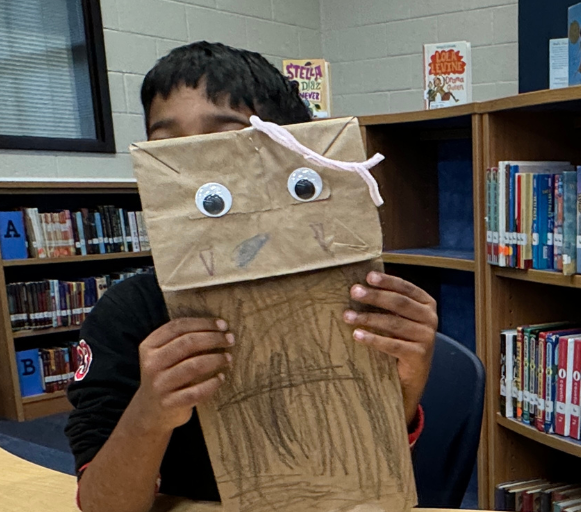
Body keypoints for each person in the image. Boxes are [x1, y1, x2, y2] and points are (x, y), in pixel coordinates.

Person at [64, 42, 439, 512]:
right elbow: (103, 504)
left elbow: (374, 481)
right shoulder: (126, 315)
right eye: (170, 149)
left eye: (223, 141)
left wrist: (402, 386)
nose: (198, 162)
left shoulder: (360, 299)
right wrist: (150, 413)